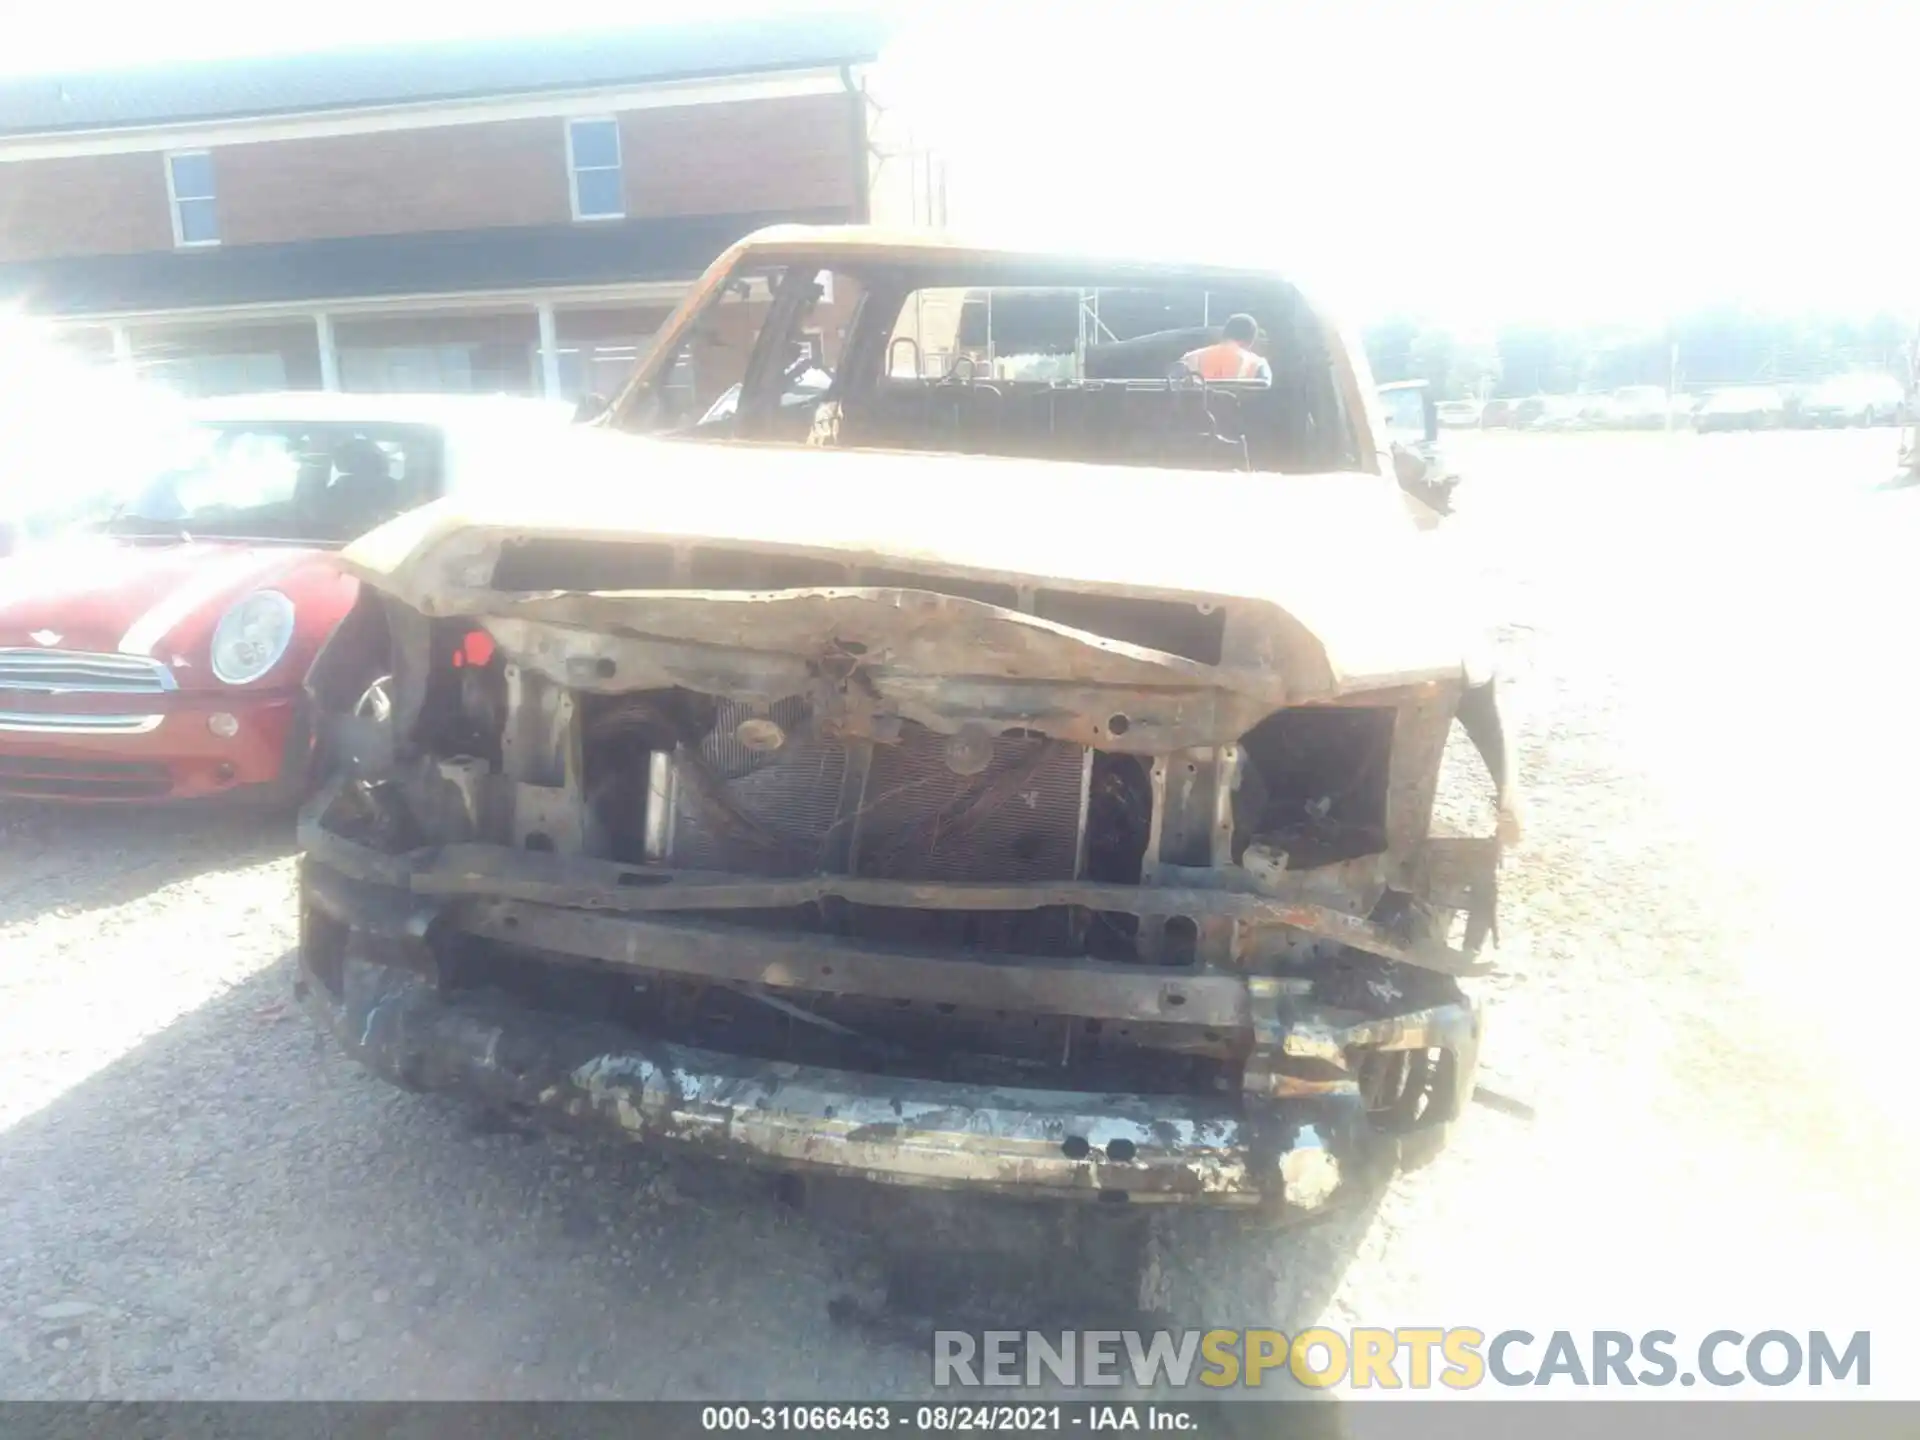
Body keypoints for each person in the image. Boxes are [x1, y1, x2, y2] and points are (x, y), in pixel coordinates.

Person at [1179, 314, 1272, 384]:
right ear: (1250, 341)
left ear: (1224, 334)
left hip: (1195, 409)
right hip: (1237, 409)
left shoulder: (1190, 358)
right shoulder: (1257, 365)